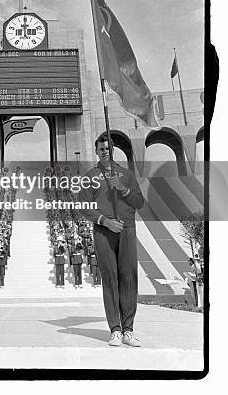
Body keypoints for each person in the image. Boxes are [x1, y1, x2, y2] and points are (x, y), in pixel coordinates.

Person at [80, 134, 144, 347]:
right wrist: (105, 221)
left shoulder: (126, 174)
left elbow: (139, 202)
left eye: (107, 148)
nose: (104, 152)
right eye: (101, 149)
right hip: (104, 232)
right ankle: (115, 330)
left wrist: (123, 189)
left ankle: (128, 330)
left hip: (127, 229)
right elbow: (84, 207)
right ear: (96, 152)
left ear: (112, 149)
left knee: (128, 278)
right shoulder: (90, 177)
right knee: (110, 279)